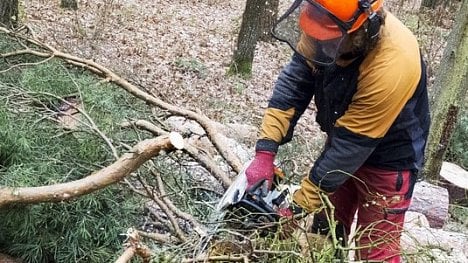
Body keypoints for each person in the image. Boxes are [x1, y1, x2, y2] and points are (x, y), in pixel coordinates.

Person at [244, 0, 430, 262]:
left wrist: (297, 208)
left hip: (388, 162)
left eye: (333, 40)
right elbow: (294, 83)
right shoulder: (322, 22)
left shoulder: (393, 62)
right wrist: (265, 150)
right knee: (325, 232)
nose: (324, 45)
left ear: (366, 29)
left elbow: (349, 148)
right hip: (343, 140)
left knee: (376, 250)